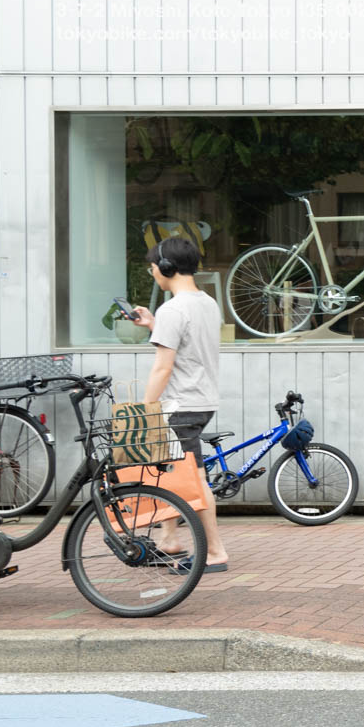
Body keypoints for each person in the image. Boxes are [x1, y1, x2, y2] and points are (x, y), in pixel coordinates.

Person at [132, 236, 228, 571]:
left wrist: (145, 408)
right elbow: (189, 344)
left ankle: (215, 552)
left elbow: (164, 366)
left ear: (166, 267)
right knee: (165, 474)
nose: (152, 272)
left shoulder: (172, 309)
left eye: (153, 266)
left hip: (181, 404)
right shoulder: (207, 303)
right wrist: (154, 326)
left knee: (194, 479)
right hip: (201, 399)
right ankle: (169, 540)